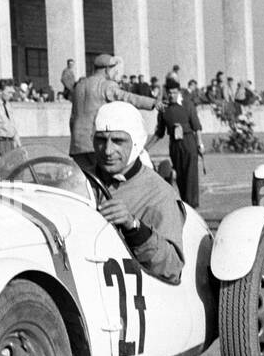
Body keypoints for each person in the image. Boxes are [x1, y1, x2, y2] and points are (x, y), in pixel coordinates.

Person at [92, 102, 185, 285]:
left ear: (135, 143)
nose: (108, 151)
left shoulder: (160, 194)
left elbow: (172, 268)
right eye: (101, 140)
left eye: (118, 141)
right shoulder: (78, 179)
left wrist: (133, 226)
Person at [68, 53, 159, 171]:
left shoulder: (79, 86)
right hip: (96, 143)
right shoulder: (106, 85)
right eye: (114, 69)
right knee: (103, 181)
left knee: (86, 181)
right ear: (107, 69)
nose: (116, 73)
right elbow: (126, 97)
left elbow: (72, 118)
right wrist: (152, 103)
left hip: (77, 145)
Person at [151, 80, 203, 209]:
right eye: (169, 93)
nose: (171, 95)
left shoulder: (187, 105)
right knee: (179, 177)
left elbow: (196, 127)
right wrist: (144, 147)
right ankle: (185, 205)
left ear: (178, 92)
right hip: (175, 145)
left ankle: (192, 206)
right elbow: (159, 133)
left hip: (189, 142)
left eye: (174, 92)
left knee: (191, 175)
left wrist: (200, 144)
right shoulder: (164, 109)